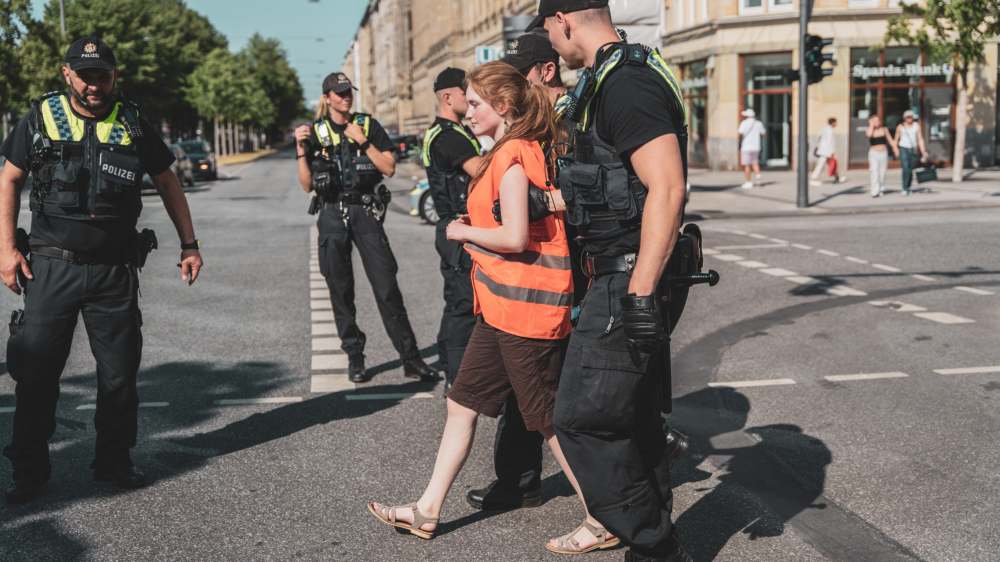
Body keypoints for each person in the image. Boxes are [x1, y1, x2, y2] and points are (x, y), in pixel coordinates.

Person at [367, 61, 619, 556]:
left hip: (525, 312)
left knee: (547, 420)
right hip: (500, 309)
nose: (469, 111)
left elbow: (514, 236)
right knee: (461, 403)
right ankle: (427, 510)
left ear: (502, 107)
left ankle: (602, 516)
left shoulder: (514, 156)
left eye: (477, 103)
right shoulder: (505, 151)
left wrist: (462, 231)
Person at [0, 36, 204, 504]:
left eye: (103, 74)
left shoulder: (131, 121)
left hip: (114, 272)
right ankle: (29, 472)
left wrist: (189, 243)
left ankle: (114, 461)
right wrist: (6, 248)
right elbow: (9, 177)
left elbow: (168, 179)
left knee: (119, 376)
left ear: (115, 75)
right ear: (67, 73)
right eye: (86, 74)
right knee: (36, 375)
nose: (95, 84)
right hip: (51, 268)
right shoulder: (41, 118)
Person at [531, 1, 694, 560]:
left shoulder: (625, 83)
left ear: (565, 20)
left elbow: (667, 189)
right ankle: (656, 544)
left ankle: (651, 542)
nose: (550, 43)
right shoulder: (605, 81)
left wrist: (641, 291)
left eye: (549, 30)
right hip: (621, 268)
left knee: (582, 420)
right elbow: (611, 181)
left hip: (630, 274)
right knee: (632, 416)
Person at [463, 31, 567, 514]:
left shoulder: (565, 122)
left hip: (552, 280)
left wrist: (538, 200)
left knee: (551, 404)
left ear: (544, 72)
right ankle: (518, 481)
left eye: (519, 74)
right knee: (528, 397)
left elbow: (581, 191)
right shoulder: (525, 137)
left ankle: (607, 504)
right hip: (523, 286)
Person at [295, 72, 438, 383]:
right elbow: (307, 185)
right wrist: (300, 150)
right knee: (340, 290)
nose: (346, 97)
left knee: (386, 286)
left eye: (349, 92)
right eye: (340, 93)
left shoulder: (368, 125)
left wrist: (363, 141)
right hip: (332, 212)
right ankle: (355, 356)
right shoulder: (316, 133)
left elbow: (388, 167)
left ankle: (411, 358)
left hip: (365, 211)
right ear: (327, 98)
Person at [420, 68, 483, 389]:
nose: (471, 99)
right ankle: (457, 381)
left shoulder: (451, 132)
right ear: (448, 97)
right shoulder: (447, 136)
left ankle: (449, 365)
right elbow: (480, 170)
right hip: (456, 227)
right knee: (464, 305)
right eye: (466, 94)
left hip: (452, 227)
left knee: (456, 301)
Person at [893, 109, 928, 196]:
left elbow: (920, 139)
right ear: (904, 118)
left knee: (910, 169)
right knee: (905, 168)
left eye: (911, 117)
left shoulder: (916, 126)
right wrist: (896, 150)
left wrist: (923, 151)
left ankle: (908, 187)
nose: (909, 119)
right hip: (903, 148)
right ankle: (904, 188)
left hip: (913, 149)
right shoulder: (900, 127)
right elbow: (896, 140)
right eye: (908, 117)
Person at [866, 115, 898, 198]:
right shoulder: (870, 130)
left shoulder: (884, 129)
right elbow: (869, 135)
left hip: (883, 153)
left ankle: (881, 188)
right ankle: (874, 191)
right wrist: (871, 125)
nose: (877, 122)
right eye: (874, 120)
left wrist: (895, 149)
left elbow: (890, 140)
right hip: (873, 153)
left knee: (882, 172)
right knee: (874, 172)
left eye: (878, 120)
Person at [810, 117, 846, 186]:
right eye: (835, 122)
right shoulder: (830, 130)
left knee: (832, 164)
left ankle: (837, 177)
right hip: (826, 151)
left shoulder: (824, 129)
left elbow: (818, 136)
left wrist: (819, 146)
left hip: (823, 150)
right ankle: (813, 179)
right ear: (833, 123)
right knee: (821, 165)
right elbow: (829, 142)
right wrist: (832, 152)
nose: (836, 124)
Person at [738, 108, 765, 189]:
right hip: (756, 146)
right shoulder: (758, 123)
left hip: (746, 147)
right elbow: (763, 133)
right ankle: (758, 178)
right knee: (755, 163)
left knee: (747, 165)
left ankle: (748, 182)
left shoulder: (744, 123)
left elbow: (740, 133)